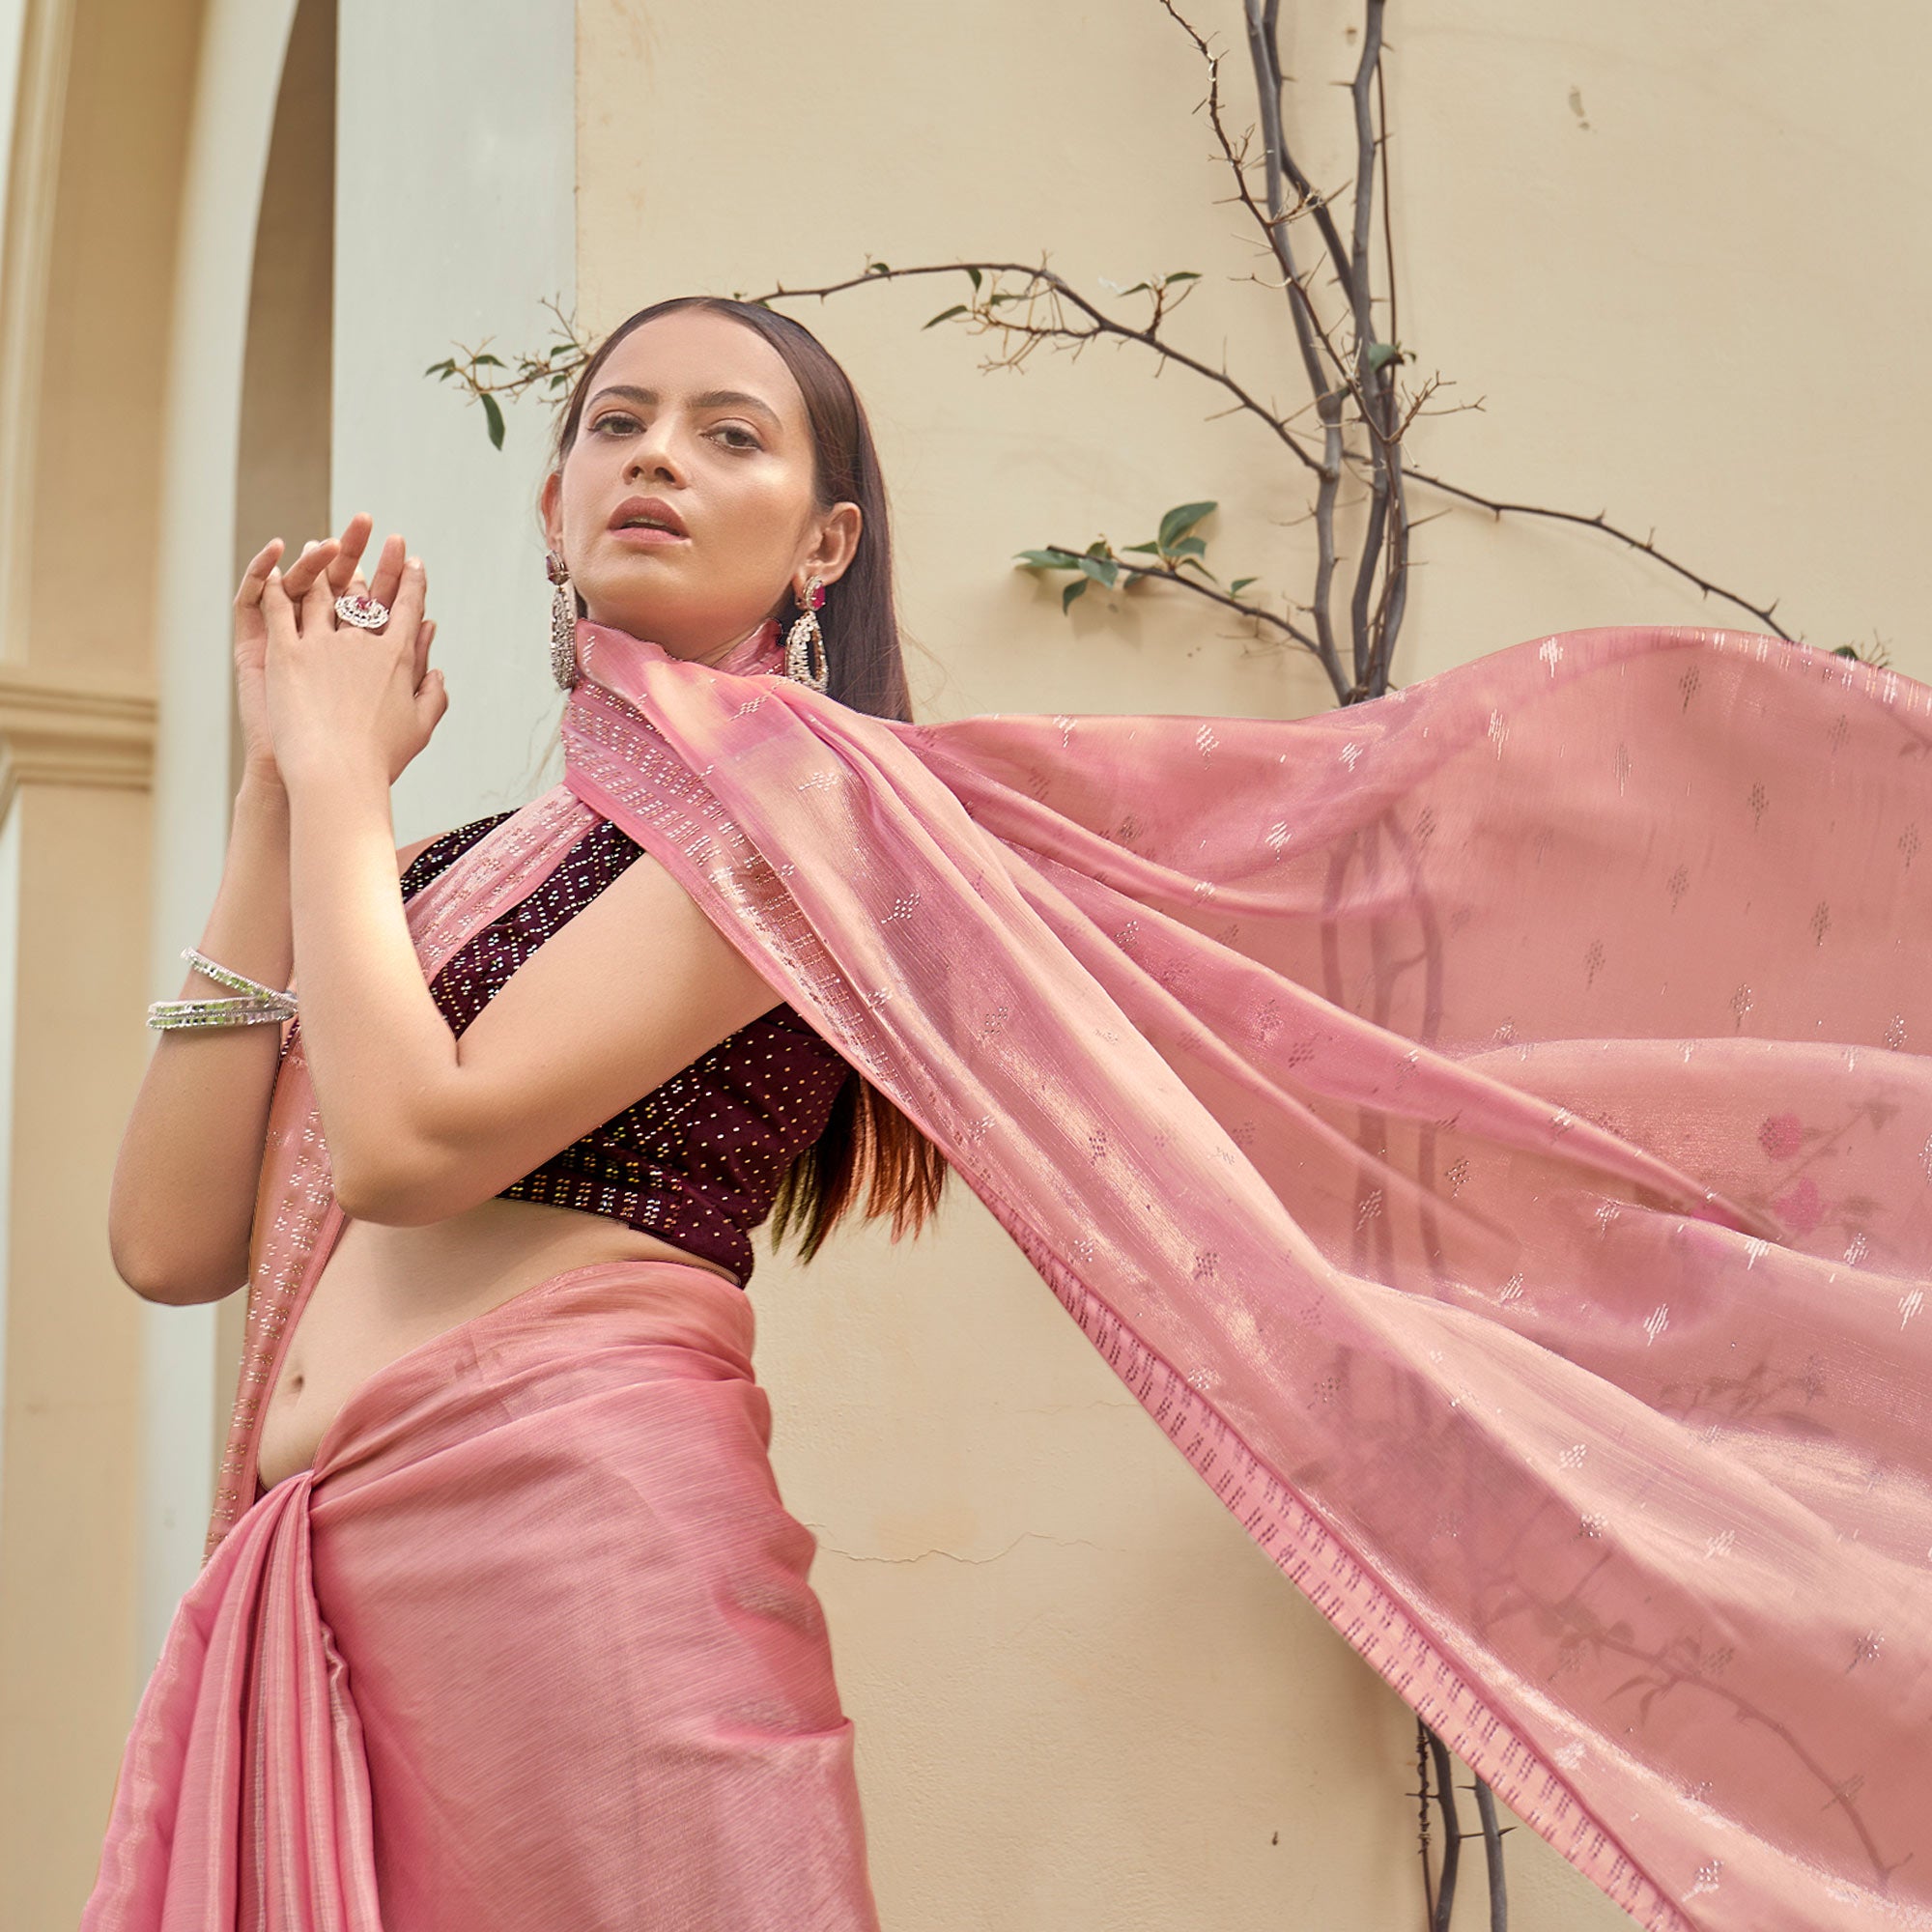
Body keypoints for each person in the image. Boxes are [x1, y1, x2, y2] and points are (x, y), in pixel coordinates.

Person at [86, 297, 1932, 1932]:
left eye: (729, 434)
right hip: (333, 1563)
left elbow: (415, 1148)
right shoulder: (431, 872)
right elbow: (171, 1244)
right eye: (617, 423)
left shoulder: (810, 818)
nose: (656, 455)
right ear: (551, 504)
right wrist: (277, 810)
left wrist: (334, 781)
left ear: (823, 544)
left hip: (581, 1553)